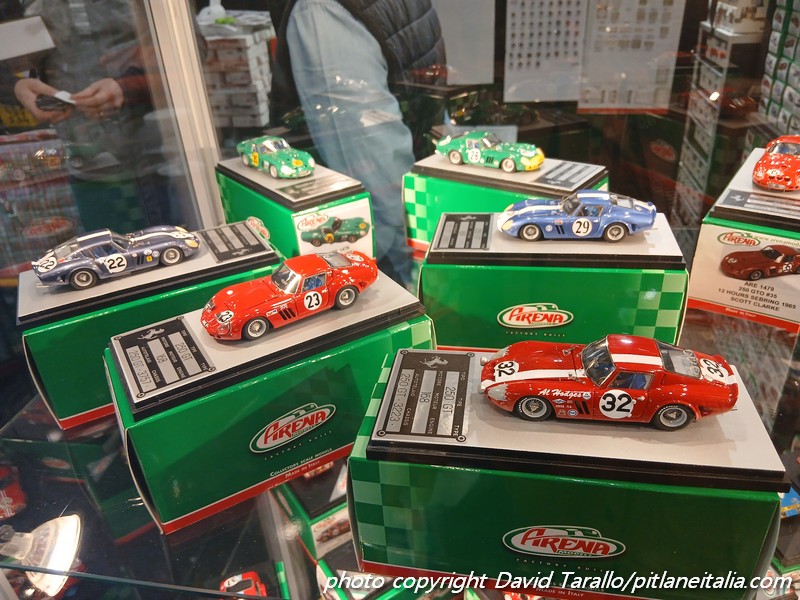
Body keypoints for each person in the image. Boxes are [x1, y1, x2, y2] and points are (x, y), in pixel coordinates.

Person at [267, 0, 446, 287]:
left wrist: (413, 268)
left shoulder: (321, 11)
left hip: (386, 244)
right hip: (420, 210)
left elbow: (368, 152)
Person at [12, 0, 187, 230]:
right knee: (101, 245)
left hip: (155, 158)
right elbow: (13, 48)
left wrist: (127, 87)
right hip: (80, 158)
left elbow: (193, 51)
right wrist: (16, 84)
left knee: (169, 242)